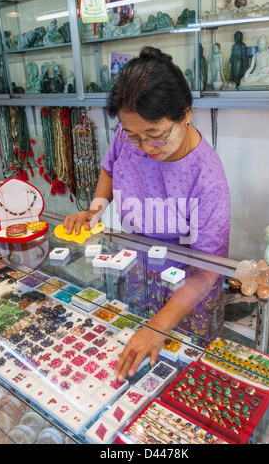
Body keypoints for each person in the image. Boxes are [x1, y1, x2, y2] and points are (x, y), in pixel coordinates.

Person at [63, 46, 230, 381]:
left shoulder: (207, 177)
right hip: (138, 275)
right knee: (133, 379)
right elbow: (110, 169)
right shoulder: (132, 136)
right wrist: (95, 210)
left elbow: (206, 271)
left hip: (185, 296)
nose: (145, 148)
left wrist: (158, 327)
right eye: (134, 137)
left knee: (179, 381)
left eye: (156, 136)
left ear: (186, 114)